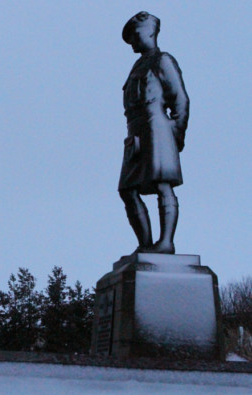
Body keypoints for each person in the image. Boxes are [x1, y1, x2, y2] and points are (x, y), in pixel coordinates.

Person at [119, 12, 189, 255]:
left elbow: (179, 99)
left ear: (149, 32)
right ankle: (145, 244)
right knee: (127, 189)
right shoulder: (137, 65)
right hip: (136, 130)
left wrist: (174, 134)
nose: (133, 43)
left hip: (157, 127)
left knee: (162, 184)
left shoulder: (163, 60)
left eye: (135, 36)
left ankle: (166, 242)